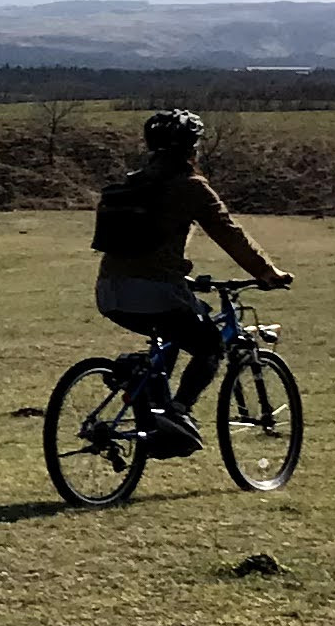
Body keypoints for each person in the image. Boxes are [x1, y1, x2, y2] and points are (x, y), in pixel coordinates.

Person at [91, 109, 290, 458]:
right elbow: (229, 233)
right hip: (155, 291)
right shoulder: (192, 187)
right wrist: (267, 272)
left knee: (169, 336)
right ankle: (177, 414)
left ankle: (144, 391)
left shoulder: (135, 181)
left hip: (109, 291)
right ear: (192, 148)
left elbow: (144, 245)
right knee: (210, 345)